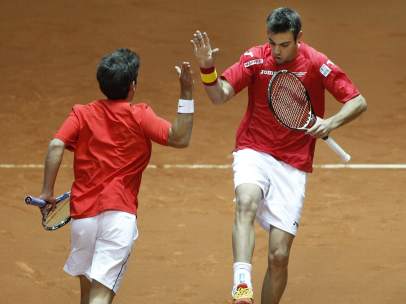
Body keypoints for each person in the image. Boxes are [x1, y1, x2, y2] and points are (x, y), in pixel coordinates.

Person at [191, 7, 367, 304]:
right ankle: (242, 287)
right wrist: (207, 68)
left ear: (299, 38)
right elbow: (219, 95)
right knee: (245, 201)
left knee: (279, 256)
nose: (276, 51)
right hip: (253, 149)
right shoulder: (255, 58)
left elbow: (357, 101)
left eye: (284, 44)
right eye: (272, 42)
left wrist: (330, 122)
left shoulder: (316, 62)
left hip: (293, 162)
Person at [38, 48, 195, 304]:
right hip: (119, 216)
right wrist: (186, 92)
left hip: (83, 218)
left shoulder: (81, 113)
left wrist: (46, 192)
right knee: (100, 295)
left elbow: (56, 145)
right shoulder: (139, 114)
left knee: (87, 291)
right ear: (132, 86)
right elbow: (180, 137)